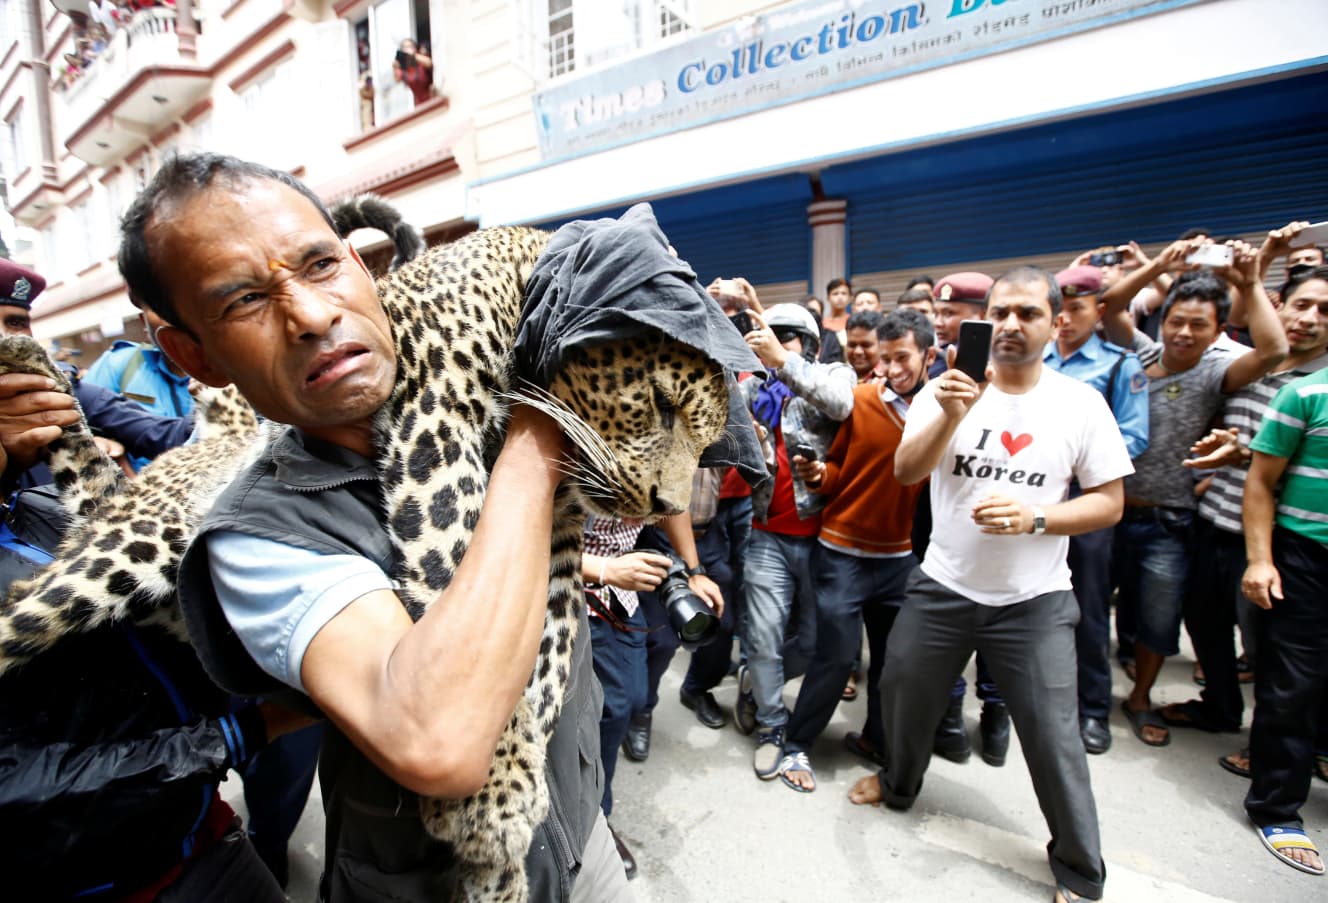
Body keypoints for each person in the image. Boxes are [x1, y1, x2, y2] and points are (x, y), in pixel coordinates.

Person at [114, 153, 625, 901]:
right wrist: (541, 425)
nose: (312, 315)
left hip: (582, 835)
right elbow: (440, 740)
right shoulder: (260, 534)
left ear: (361, 264)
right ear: (196, 355)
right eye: (245, 299)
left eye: (321, 265)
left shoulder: (474, 377)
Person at [850, 266, 1132, 903]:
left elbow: (1109, 503)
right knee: (901, 694)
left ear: (1053, 322)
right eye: (999, 313)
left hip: (1034, 601)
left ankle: (1080, 871)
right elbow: (905, 472)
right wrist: (950, 413)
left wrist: (1038, 518)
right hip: (944, 587)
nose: (1010, 324)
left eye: (1027, 314)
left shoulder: (1078, 403)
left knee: (1055, 735)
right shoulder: (945, 389)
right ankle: (898, 786)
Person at [1099, 241, 1288, 748]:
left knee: (1160, 621)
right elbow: (1112, 306)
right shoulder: (1139, 356)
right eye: (1176, 321)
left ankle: (1139, 698)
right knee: (1093, 611)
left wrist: (1250, 281)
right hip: (1108, 511)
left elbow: (1273, 352)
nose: (1183, 333)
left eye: (1198, 325)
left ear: (1219, 331)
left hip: (1171, 522)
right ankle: (1090, 700)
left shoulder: (1214, 374)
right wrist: (1159, 265)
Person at [776, 309, 935, 791]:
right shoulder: (861, 401)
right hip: (842, 554)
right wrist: (823, 476)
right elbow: (840, 467)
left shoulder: (943, 410)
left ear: (929, 355)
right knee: (837, 656)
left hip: (899, 560)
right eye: (884, 359)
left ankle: (876, 738)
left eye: (901, 357)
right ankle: (795, 746)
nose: (889, 368)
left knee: (894, 661)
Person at [734, 302, 854, 779]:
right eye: (769, 335)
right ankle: (770, 726)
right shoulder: (752, 386)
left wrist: (785, 362)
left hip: (824, 538)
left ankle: (763, 686)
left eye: (789, 336)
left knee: (817, 641)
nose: (776, 342)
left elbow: (841, 404)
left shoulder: (831, 373)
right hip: (766, 535)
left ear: (810, 343)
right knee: (761, 637)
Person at [580, 511, 720, 880]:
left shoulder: (668, 461)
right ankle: (592, 824)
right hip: (560, 588)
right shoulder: (571, 454)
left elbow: (676, 507)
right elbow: (521, 533)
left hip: (621, 594)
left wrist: (694, 572)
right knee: (610, 707)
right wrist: (604, 569)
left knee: (631, 698)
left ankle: (586, 810)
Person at [1044, 265, 1149, 755]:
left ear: (1099, 310)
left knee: (1086, 611)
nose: (1064, 320)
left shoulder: (1117, 365)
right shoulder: (1033, 361)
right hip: (1029, 500)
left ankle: (1091, 710)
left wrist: (1068, 457)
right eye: (1057, 310)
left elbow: (1134, 436)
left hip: (1084, 504)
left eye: (1076, 309)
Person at [1239, 364, 1328, 877]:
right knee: (1293, 685)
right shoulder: (1305, 395)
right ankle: (1277, 808)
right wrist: (1261, 558)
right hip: (1306, 555)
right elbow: (1261, 479)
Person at [843, 310, 886, 384]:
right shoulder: (835, 378)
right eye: (852, 345)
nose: (858, 351)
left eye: (866, 345)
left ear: (882, 345)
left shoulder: (891, 380)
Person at [392, 38, 434, 107]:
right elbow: (397, 79)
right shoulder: (405, 69)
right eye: (405, 47)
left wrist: (412, 56)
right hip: (421, 104)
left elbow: (429, 63)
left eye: (410, 46)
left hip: (433, 100)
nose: (407, 49)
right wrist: (395, 67)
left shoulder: (420, 60)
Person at [818, 278, 852, 363]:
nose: (840, 297)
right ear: (828, 297)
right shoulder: (822, 324)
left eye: (844, 293)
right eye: (835, 293)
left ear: (849, 298)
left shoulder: (853, 322)